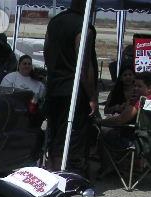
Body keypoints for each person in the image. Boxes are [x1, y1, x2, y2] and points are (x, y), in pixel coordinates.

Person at [43, 0, 98, 174]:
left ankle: (52, 172)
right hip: (73, 91)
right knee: (73, 139)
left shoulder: (55, 21)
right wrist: (92, 96)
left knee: (55, 136)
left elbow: (46, 52)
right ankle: (68, 176)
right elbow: (84, 66)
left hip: (54, 86)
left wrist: (54, 72)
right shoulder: (84, 27)